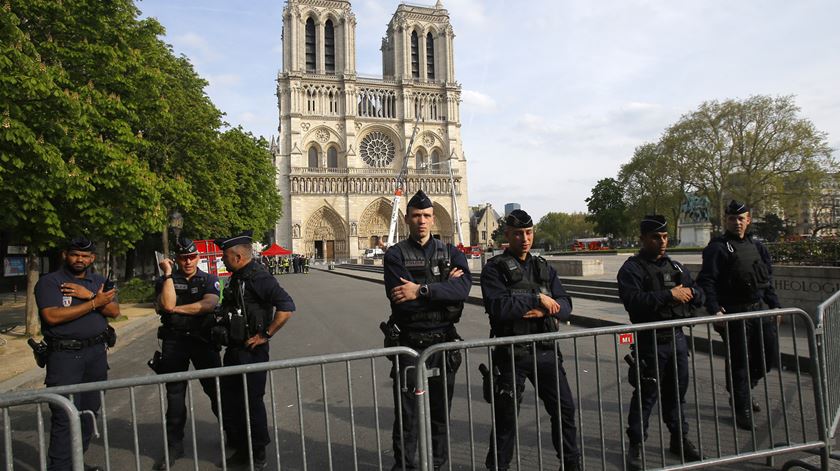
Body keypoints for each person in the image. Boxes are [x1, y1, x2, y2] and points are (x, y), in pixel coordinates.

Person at [480, 209, 580, 471]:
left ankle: (571, 465)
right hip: (512, 354)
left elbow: (566, 304)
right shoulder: (494, 270)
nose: (524, 239)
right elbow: (498, 307)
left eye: (528, 233)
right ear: (507, 236)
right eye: (518, 234)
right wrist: (537, 299)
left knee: (565, 411)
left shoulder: (544, 267)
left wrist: (547, 307)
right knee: (506, 420)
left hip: (545, 351)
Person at [383, 189, 471, 471]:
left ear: (434, 219)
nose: (422, 220)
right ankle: (405, 467)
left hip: (443, 343)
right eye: (417, 216)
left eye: (427, 216)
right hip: (410, 344)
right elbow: (401, 302)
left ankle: (438, 465)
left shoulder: (452, 252)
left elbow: (463, 289)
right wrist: (442, 289)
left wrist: (419, 290)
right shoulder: (395, 255)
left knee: (439, 416)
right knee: (407, 415)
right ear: (407, 219)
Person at [617, 215, 704, 470]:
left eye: (665, 237)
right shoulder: (632, 269)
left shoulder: (675, 267)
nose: (662, 242)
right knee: (646, 396)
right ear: (643, 239)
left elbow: (699, 293)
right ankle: (635, 445)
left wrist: (691, 293)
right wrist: (669, 295)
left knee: (677, 395)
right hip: (650, 342)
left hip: (676, 340)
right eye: (656, 237)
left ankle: (680, 439)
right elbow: (633, 301)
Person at [35, 237, 119, 471]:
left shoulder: (99, 281)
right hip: (65, 357)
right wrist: (94, 303)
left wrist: (89, 296)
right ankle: (59, 467)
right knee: (64, 417)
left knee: (88, 414)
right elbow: (52, 316)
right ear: (65, 255)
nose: (80, 260)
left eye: (85, 256)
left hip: (96, 354)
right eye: (75, 255)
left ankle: (77, 464)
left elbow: (114, 311)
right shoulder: (50, 282)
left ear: (92, 258)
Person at [697, 200, 781, 430]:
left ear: (748, 220)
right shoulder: (718, 248)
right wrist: (714, 308)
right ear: (726, 220)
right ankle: (741, 405)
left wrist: (775, 305)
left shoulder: (758, 247)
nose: (737, 222)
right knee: (740, 362)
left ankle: (741, 389)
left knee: (768, 357)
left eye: (741, 218)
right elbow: (707, 280)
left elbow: (766, 279)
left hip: (758, 309)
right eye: (732, 218)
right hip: (734, 313)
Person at [215, 231, 295, 470]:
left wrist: (265, 334)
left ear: (238, 256)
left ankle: (257, 453)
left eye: (225, 256)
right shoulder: (238, 276)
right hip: (235, 348)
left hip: (251, 351)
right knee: (234, 403)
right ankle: (242, 449)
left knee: (251, 403)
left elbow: (286, 306)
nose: (222, 260)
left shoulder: (258, 277)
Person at [151, 237, 222, 470]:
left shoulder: (209, 279)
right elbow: (164, 304)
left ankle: (232, 436)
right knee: (174, 396)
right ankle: (174, 445)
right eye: (183, 257)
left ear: (198, 257)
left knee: (216, 391)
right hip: (175, 342)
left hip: (203, 340)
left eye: (192, 256)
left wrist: (176, 309)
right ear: (176, 259)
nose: (188, 261)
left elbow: (209, 304)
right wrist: (169, 275)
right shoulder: (166, 281)